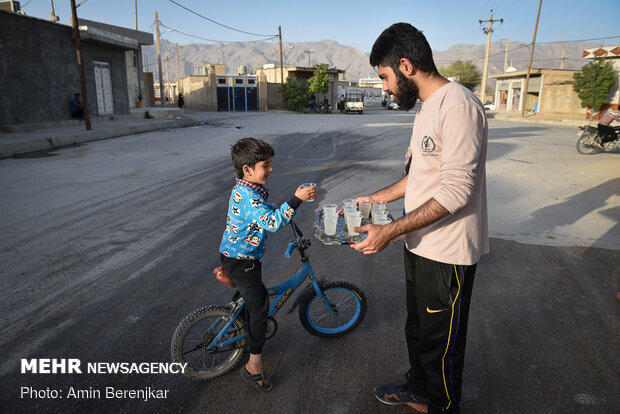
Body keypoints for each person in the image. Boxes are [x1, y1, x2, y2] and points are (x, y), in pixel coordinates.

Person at [351, 23, 488, 414]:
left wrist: (390, 229)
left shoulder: (459, 106)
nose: (384, 88)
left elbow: (456, 191)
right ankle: (419, 391)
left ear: (406, 66)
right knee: (419, 330)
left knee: (441, 345)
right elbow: (421, 176)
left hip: (448, 252)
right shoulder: (428, 107)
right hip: (421, 242)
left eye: (384, 78)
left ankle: (442, 406)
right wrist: (376, 197)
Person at [219, 137, 317, 392]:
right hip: (242, 262)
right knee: (260, 308)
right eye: (266, 165)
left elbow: (264, 212)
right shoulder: (249, 196)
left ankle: (236, 331)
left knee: (250, 300)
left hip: (235, 257)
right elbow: (272, 222)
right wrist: (296, 200)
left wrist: (280, 207)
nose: (271, 169)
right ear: (247, 170)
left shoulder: (245, 189)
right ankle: (254, 366)